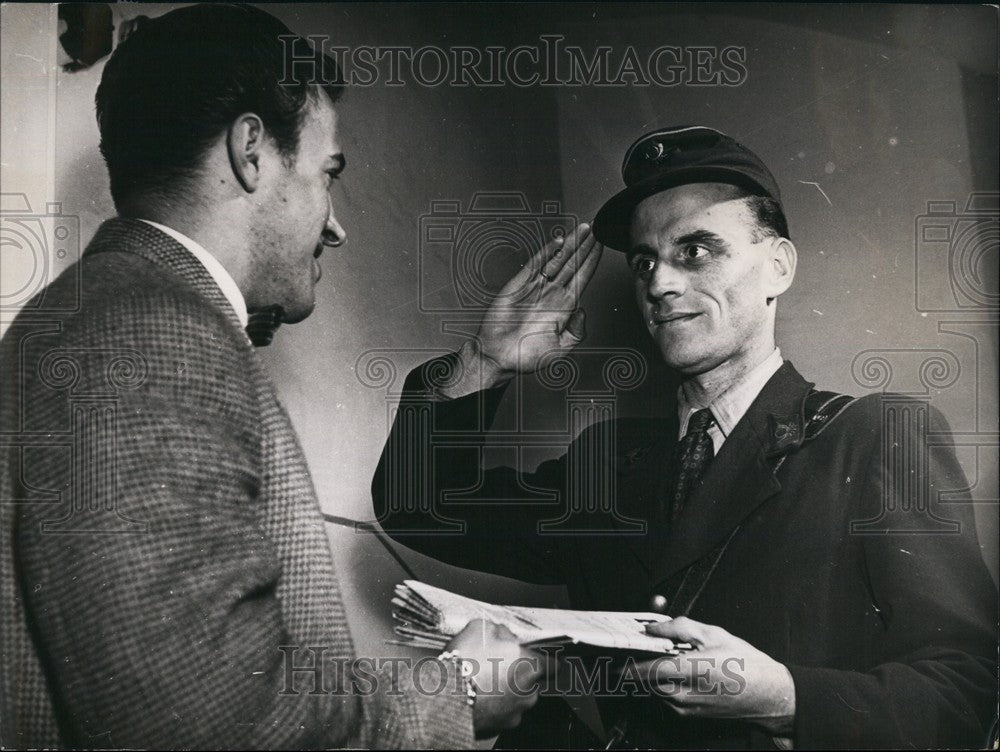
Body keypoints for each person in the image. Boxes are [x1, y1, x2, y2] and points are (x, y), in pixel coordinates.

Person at [0, 5, 539, 748]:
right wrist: (454, 695)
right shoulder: (157, 335)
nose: (336, 225)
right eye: (327, 175)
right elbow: (205, 719)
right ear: (251, 151)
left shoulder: (79, 313)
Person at [373, 125, 998, 748]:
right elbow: (419, 506)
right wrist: (486, 362)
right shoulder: (608, 461)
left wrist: (786, 699)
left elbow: (966, 695)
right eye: (644, 261)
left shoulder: (873, 437)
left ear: (778, 266)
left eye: (695, 250)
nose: (660, 284)